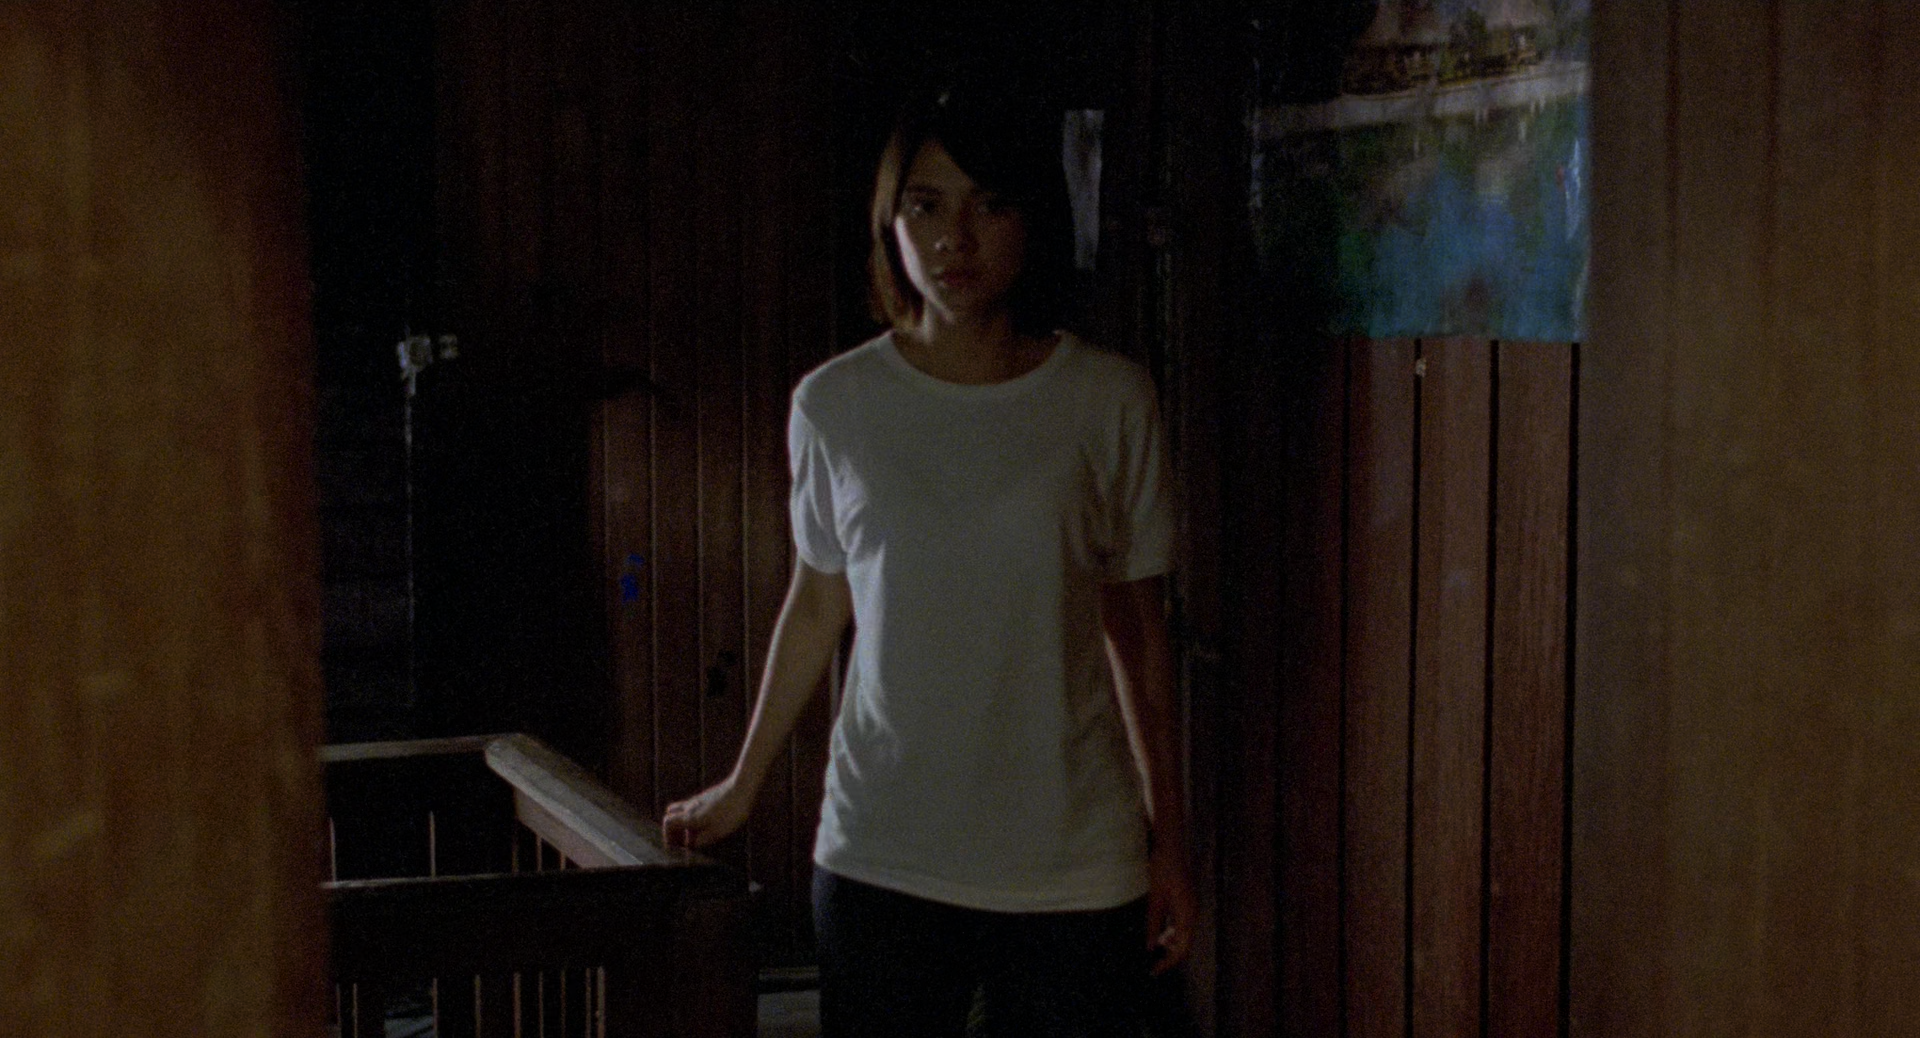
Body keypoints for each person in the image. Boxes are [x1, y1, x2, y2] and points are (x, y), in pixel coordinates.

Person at [662, 87, 1194, 1038]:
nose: (956, 237)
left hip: (1072, 857)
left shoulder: (1106, 399)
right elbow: (818, 602)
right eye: (926, 205)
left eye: (990, 203)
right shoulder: (835, 405)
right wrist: (743, 783)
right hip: (885, 850)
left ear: (1033, 218)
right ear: (890, 222)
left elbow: (1138, 634)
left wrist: (1172, 842)